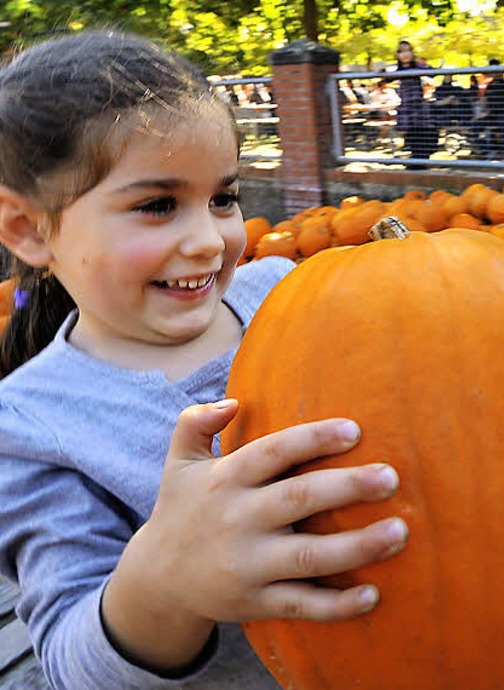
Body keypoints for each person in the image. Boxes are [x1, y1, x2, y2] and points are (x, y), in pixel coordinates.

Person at [0, 30, 408, 690]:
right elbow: (74, 668)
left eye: (223, 197)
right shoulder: (30, 426)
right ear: (27, 228)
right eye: (157, 205)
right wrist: (166, 585)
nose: (208, 240)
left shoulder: (283, 288)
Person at [392, 40, 438, 168]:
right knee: (410, 134)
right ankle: (415, 159)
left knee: (422, 132)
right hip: (406, 105)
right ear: (397, 55)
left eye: (408, 50)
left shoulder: (417, 66)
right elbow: (387, 76)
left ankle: (421, 160)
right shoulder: (398, 69)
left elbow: (432, 72)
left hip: (418, 105)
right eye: (402, 51)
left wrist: (428, 66)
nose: (405, 54)